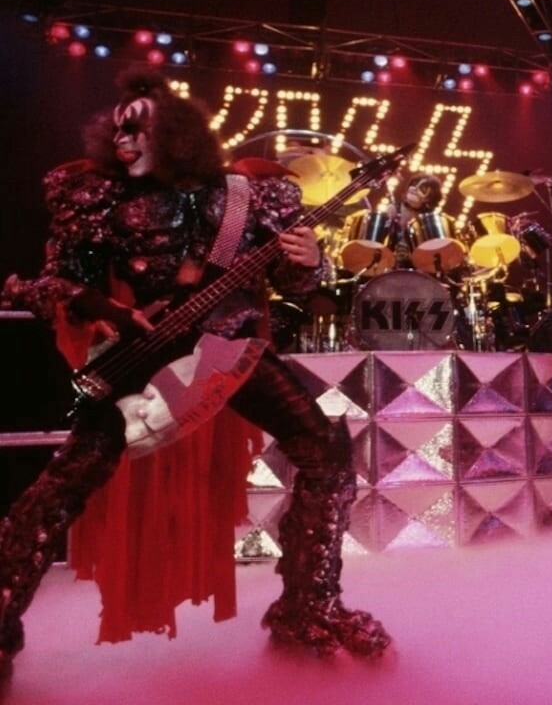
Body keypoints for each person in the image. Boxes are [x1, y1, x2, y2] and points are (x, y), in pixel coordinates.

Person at [0, 67, 391, 680]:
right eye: (119, 128)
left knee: (326, 451)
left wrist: (309, 260)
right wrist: (98, 305)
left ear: (178, 134)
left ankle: (309, 606)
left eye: (140, 129)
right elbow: (47, 282)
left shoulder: (244, 193)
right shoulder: (96, 194)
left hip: (228, 351)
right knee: (62, 485)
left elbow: (294, 283)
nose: (125, 140)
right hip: (140, 359)